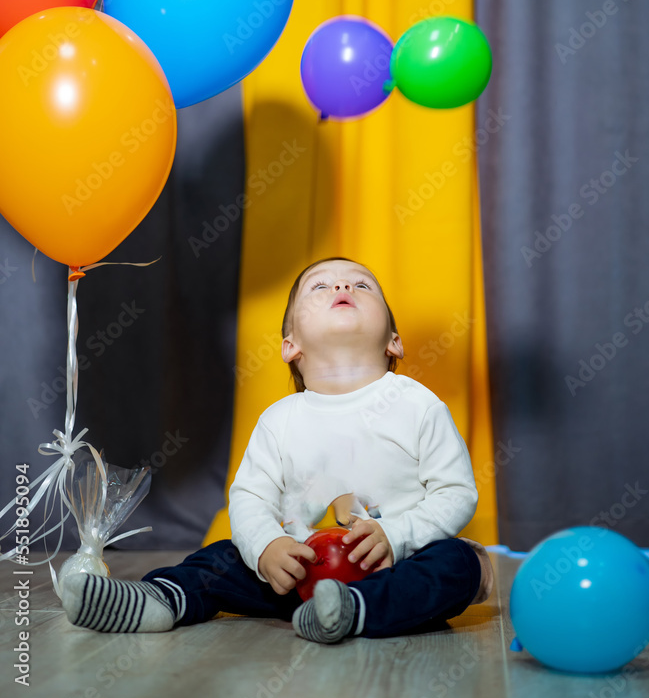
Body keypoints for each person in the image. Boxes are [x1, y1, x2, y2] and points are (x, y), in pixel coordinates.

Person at [61, 256, 493, 642]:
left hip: (393, 569)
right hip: (297, 577)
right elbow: (250, 498)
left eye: (362, 285)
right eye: (320, 287)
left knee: (458, 562)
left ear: (394, 342)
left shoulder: (418, 404)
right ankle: (159, 600)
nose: (343, 288)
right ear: (291, 346)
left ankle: (354, 611)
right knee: (223, 556)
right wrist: (268, 547)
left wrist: (395, 536)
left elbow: (456, 494)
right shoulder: (279, 420)